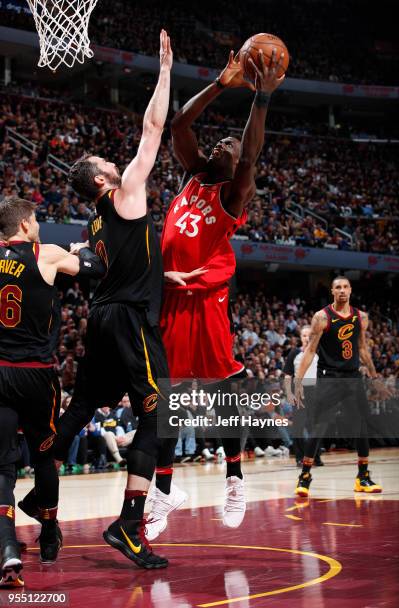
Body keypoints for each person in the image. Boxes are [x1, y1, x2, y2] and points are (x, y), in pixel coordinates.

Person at [19, 31, 182, 571]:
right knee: (157, 420)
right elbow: (153, 128)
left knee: (80, 411)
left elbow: (118, 266)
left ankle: (41, 497)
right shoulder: (124, 194)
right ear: (100, 179)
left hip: (104, 319)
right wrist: (164, 71)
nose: (118, 163)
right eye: (106, 162)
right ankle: (128, 526)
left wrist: (167, 276)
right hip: (131, 322)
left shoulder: (96, 225)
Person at [146, 48, 286, 537]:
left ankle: (234, 478)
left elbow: (250, 152)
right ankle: (163, 491)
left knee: (223, 393)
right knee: (166, 399)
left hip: (205, 301)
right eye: (221, 139)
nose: (223, 141)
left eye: (229, 143)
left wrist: (262, 98)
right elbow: (180, 125)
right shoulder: (194, 175)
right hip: (168, 299)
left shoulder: (232, 192)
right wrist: (222, 83)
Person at [0, 196, 103, 587]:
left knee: (2, 466)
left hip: (0, 371)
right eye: (37, 218)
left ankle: (7, 547)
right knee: (44, 456)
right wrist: (81, 250)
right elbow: (96, 267)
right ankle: (47, 534)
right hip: (37, 376)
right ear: (26, 224)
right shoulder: (45, 254)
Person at [294, 277, 385, 497]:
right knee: (320, 426)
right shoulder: (322, 317)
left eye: (345, 287)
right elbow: (310, 351)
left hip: (353, 378)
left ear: (351, 290)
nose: (342, 290)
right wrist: (299, 380)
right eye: (338, 287)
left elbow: (363, 349)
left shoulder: (360, 317)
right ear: (332, 291)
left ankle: (363, 477)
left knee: (362, 426)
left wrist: (374, 376)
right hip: (329, 378)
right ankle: (305, 476)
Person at [283, 325, 323, 467]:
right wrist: (288, 393)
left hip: (314, 392)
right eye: (304, 335)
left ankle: (315, 457)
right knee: (298, 427)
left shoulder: (319, 353)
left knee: (315, 426)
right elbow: (288, 375)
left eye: (309, 335)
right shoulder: (294, 353)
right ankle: (300, 457)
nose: (307, 338)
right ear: (301, 338)